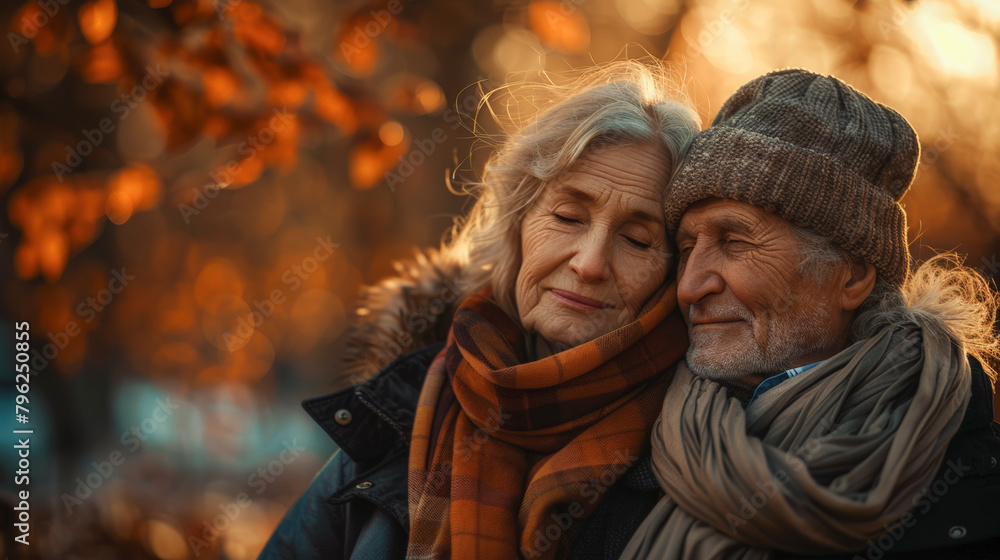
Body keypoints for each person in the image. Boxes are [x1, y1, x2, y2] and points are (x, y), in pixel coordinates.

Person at [257, 60, 701, 560]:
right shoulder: (402, 411)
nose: (591, 262)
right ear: (517, 222)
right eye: (568, 216)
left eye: (638, 240)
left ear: (676, 270)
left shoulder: (700, 456)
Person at [608, 68, 1000, 559]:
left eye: (734, 242)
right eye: (687, 247)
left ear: (852, 277)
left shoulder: (972, 486)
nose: (689, 287)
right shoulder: (630, 446)